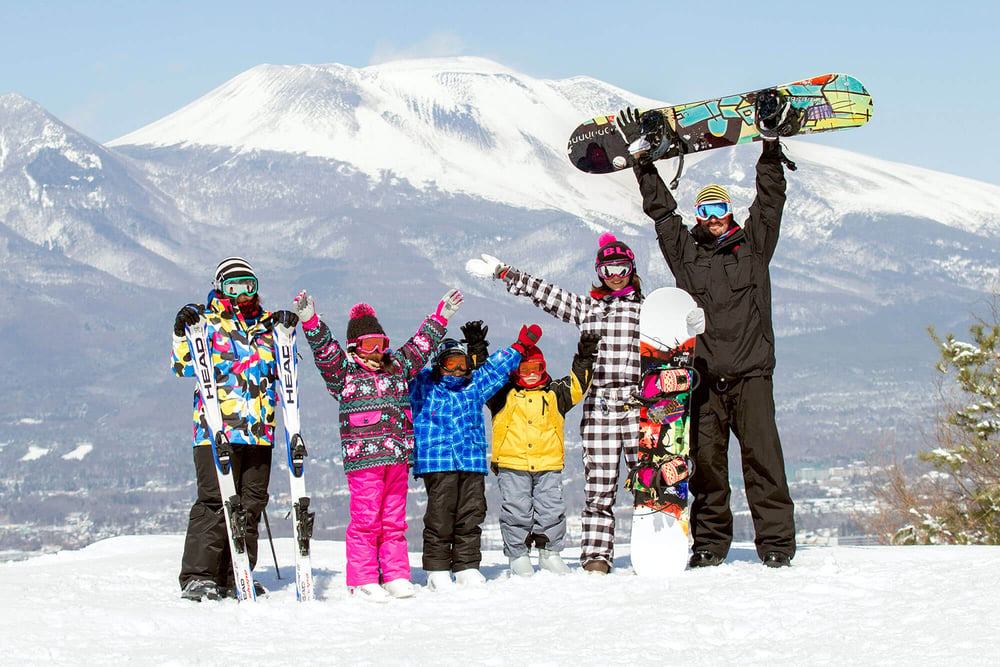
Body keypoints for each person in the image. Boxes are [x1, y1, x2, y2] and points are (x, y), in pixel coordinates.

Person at [622, 106, 797, 568]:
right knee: (708, 469)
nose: (714, 217)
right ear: (698, 215)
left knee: (764, 464)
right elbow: (662, 216)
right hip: (703, 379)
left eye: (720, 208)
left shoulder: (755, 246)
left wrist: (770, 146)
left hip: (752, 376)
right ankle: (709, 545)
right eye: (706, 209)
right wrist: (644, 165)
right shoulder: (687, 255)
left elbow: (770, 201)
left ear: (730, 213)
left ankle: (776, 545)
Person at [465, 234, 644, 574]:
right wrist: (506, 273)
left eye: (622, 266)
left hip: (638, 401)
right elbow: (549, 295)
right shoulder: (590, 309)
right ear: (599, 272)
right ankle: (596, 555)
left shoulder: (645, 310)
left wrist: (689, 328)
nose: (615, 274)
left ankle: (654, 544)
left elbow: (673, 339)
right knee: (600, 485)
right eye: (608, 268)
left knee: (647, 481)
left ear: (632, 268)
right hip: (601, 402)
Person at [292, 289, 460, 602]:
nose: (376, 352)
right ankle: (364, 577)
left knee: (393, 519)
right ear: (355, 347)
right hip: (364, 461)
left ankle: (395, 574)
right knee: (366, 519)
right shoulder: (345, 375)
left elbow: (420, 346)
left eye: (381, 345)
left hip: (396, 456)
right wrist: (311, 322)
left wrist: (441, 317)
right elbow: (325, 352)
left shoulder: (397, 367)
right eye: (369, 345)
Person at [171, 256, 293, 601]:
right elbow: (182, 366)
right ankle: (199, 574)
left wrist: (287, 333)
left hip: (259, 431)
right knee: (215, 501)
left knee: (252, 503)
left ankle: (235, 572)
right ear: (219, 287)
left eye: (248, 285)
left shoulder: (268, 326)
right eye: (233, 286)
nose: (241, 293)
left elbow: (286, 373)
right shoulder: (206, 323)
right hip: (215, 429)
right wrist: (182, 331)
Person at [410, 324, 542, 590]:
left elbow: (496, 368)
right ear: (439, 364)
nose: (458, 371)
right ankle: (437, 569)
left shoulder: (474, 386)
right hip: (438, 461)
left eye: (463, 364)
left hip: (471, 461)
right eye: (451, 364)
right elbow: (405, 369)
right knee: (440, 516)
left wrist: (520, 346)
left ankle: (467, 565)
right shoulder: (424, 385)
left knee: (471, 514)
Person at [485, 330, 601, 577]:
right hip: (512, 462)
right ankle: (518, 555)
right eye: (524, 369)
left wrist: (585, 356)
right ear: (515, 371)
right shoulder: (502, 393)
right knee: (517, 509)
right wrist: (477, 349)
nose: (530, 374)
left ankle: (550, 553)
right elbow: (485, 378)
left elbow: (579, 384)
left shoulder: (555, 391)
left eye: (535, 368)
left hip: (548, 463)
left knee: (551, 509)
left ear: (543, 368)